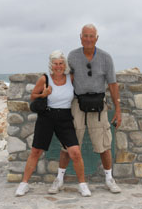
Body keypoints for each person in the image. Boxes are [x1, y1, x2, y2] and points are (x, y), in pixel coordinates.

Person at [49, 24, 122, 194]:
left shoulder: (106, 58)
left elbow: (112, 84)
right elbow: (65, 78)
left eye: (92, 36)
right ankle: (59, 179)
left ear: (97, 38)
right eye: (85, 36)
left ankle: (109, 179)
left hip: (98, 105)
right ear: (80, 37)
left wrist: (118, 109)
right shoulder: (73, 56)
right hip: (77, 103)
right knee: (69, 144)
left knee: (103, 144)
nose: (88, 39)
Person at [15, 50, 91, 197]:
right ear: (51, 65)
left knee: (75, 152)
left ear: (65, 65)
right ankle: (24, 184)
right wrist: (44, 94)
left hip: (65, 117)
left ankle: (82, 185)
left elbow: (86, 76)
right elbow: (33, 96)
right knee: (36, 151)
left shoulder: (71, 78)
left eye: (61, 63)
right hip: (47, 116)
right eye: (55, 64)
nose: (58, 66)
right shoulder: (45, 79)